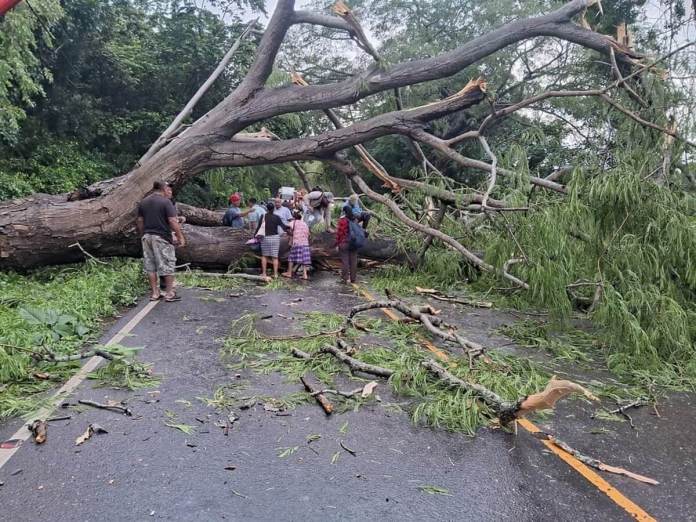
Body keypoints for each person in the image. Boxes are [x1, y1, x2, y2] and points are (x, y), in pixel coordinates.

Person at [136, 181, 186, 302]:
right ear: (163, 188)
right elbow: (173, 221)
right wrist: (180, 237)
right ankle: (169, 293)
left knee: (150, 266)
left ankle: (155, 293)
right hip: (161, 237)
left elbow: (139, 221)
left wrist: (143, 234)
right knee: (168, 264)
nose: (169, 191)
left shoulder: (144, 202)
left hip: (147, 237)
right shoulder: (165, 202)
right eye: (168, 188)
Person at [255, 201, 289, 279]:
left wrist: (255, 236)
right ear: (273, 209)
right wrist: (290, 230)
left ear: (267, 208)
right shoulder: (276, 217)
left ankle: (264, 274)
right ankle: (276, 274)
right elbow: (283, 226)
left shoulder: (263, 216)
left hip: (265, 238)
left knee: (264, 256)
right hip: (275, 238)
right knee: (275, 257)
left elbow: (259, 227)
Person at [283, 210, 312, 280]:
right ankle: (305, 275)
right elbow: (309, 234)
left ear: (294, 217)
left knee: (291, 258)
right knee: (304, 259)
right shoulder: (305, 224)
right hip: (305, 243)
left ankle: (289, 273)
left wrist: (289, 233)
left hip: (297, 242)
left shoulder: (293, 222)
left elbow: (286, 228)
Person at [335, 206, 358, 284]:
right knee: (353, 261)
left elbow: (339, 233)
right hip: (354, 243)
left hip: (344, 243)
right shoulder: (355, 219)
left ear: (344, 211)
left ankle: (344, 279)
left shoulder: (342, 220)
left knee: (345, 261)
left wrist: (337, 243)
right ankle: (353, 279)